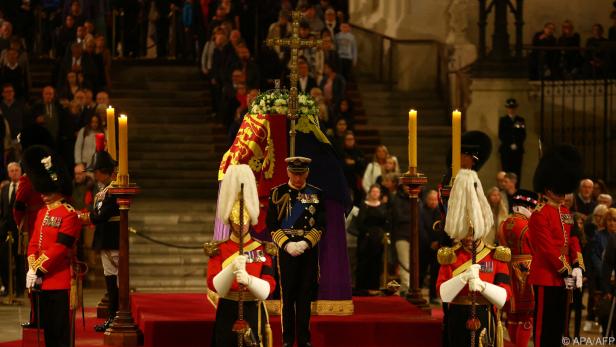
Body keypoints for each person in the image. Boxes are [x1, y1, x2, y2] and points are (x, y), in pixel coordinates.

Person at [437, 168, 511, 347]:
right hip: (457, 316)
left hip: (485, 314)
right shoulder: (451, 256)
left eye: (473, 233)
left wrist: (483, 286)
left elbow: (504, 296)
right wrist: (462, 278)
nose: (469, 238)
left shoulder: (496, 256)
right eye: (465, 234)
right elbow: (442, 293)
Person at [206, 164, 275, 346]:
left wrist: (250, 280)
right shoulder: (218, 249)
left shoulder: (263, 249)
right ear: (229, 218)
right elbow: (215, 286)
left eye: (244, 219)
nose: (241, 224)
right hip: (227, 310)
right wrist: (232, 269)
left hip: (252, 310)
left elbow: (268, 288)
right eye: (236, 219)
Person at [23, 145, 80, 347]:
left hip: (60, 281)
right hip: (43, 281)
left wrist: (38, 267)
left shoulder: (69, 213)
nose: (43, 196)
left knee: (60, 334)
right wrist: (31, 266)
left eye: (47, 192)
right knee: (48, 334)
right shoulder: (42, 213)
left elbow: (60, 247)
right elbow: (33, 243)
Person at [528, 144, 585, 346]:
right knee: (545, 325)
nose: (563, 194)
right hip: (546, 276)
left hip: (564, 276)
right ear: (548, 189)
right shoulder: (539, 215)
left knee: (561, 324)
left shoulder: (565, 213)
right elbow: (546, 248)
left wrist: (578, 266)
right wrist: (566, 269)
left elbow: (574, 240)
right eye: (558, 189)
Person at [268, 157, 324, 347]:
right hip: (286, 252)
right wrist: (287, 245)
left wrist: (306, 243)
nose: (298, 178)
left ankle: (304, 339)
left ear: (307, 173)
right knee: (288, 297)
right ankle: (287, 339)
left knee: (304, 297)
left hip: (308, 253)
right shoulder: (277, 193)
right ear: (288, 172)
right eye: (294, 174)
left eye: (301, 174)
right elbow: (272, 225)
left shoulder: (317, 194)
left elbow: (322, 224)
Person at [78, 136, 119, 332]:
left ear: (102, 172)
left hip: (113, 239)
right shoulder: (103, 190)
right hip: (105, 239)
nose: (93, 175)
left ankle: (117, 316)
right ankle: (113, 316)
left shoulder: (114, 190)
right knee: (110, 281)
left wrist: (83, 217)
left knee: (116, 282)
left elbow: (102, 215)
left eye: (95, 171)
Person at [497, 189, 539, 347]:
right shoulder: (529, 226)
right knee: (526, 316)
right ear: (529, 207)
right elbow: (536, 250)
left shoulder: (503, 224)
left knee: (512, 316)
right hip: (525, 273)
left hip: (506, 272)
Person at [355, 184, 389, 293]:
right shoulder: (364, 205)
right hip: (365, 238)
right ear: (369, 193)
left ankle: (374, 286)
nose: (375, 194)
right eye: (373, 191)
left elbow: (385, 222)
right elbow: (359, 223)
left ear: (379, 194)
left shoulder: (383, 206)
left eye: (377, 192)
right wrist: (368, 232)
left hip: (378, 239)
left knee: (376, 262)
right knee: (364, 262)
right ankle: (362, 287)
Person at [0, 162, 23, 297]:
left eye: (16, 170)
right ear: (8, 173)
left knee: (19, 259)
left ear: (20, 172)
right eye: (11, 171)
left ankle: (19, 289)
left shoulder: (24, 188)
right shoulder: (4, 188)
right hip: (4, 231)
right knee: (3, 260)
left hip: (18, 229)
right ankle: (8, 288)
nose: (14, 172)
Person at [498, 99, 526, 183]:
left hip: (517, 151)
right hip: (506, 150)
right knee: (506, 172)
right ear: (507, 108)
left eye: (513, 108)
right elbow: (501, 135)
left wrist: (517, 144)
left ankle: (516, 190)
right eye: (510, 108)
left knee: (517, 172)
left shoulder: (520, 120)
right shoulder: (503, 120)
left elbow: (523, 134)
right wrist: (510, 144)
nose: (511, 109)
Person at [600, 208, 616, 337]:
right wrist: (607, 290)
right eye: (610, 220)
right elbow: (607, 265)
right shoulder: (612, 240)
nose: (612, 223)